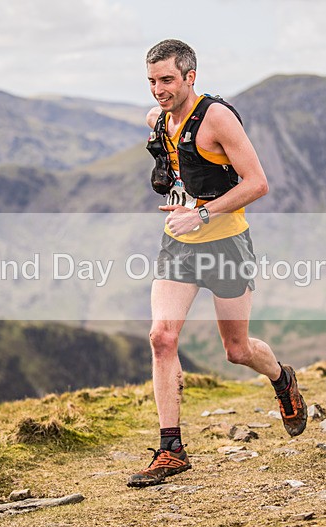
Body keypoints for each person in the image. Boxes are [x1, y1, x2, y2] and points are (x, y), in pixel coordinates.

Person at [127, 39, 307, 488]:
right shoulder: (159, 118)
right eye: (151, 81)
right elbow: (162, 134)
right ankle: (171, 450)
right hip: (178, 246)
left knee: (237, 350)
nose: (158, 90)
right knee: (162, 337)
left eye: (167, 80)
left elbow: (259, 183)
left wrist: (203, 212)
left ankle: (282, 379)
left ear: (190, 76)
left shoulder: (218, 118)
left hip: (227, 245)